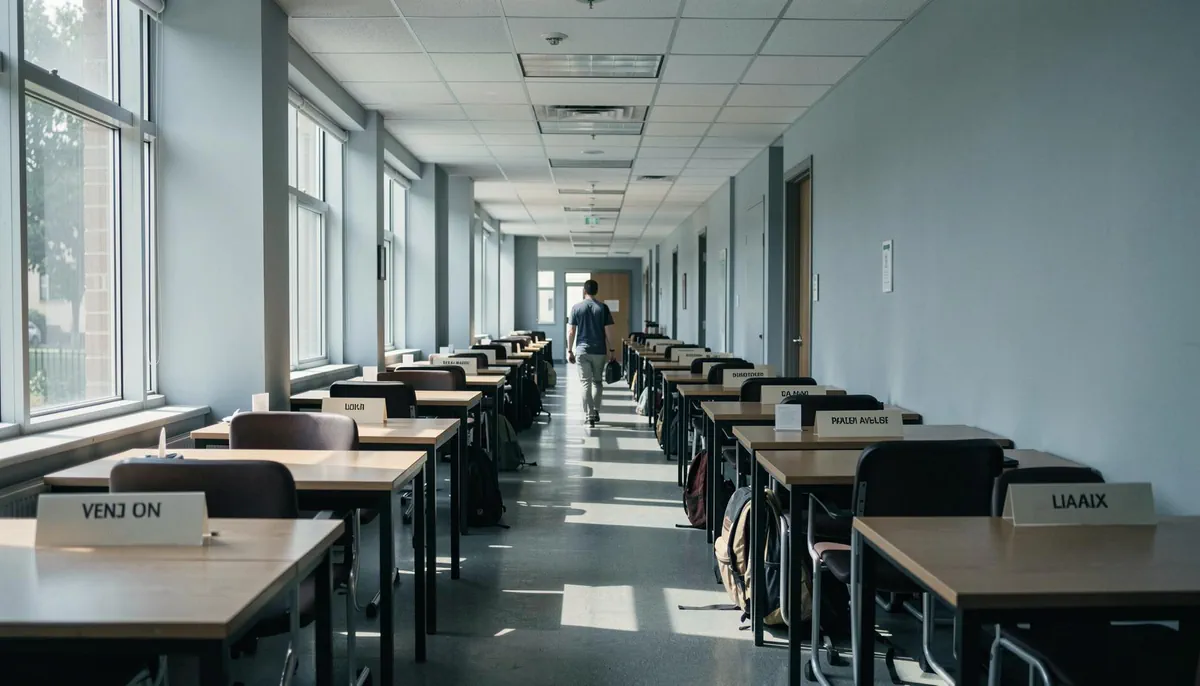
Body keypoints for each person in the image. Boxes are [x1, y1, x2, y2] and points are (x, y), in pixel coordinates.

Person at [566, 279, 616, 425]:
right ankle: (596, 411)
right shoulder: (603, 308)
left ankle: (589, 414)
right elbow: (608, 331)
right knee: (598, 382)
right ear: (596, 291)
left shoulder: (576, 308)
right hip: (599, 351)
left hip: (582, 351)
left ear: (584, 291)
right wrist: (612, 349)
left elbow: (571, 331)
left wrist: (569, 350)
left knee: (585, 383)